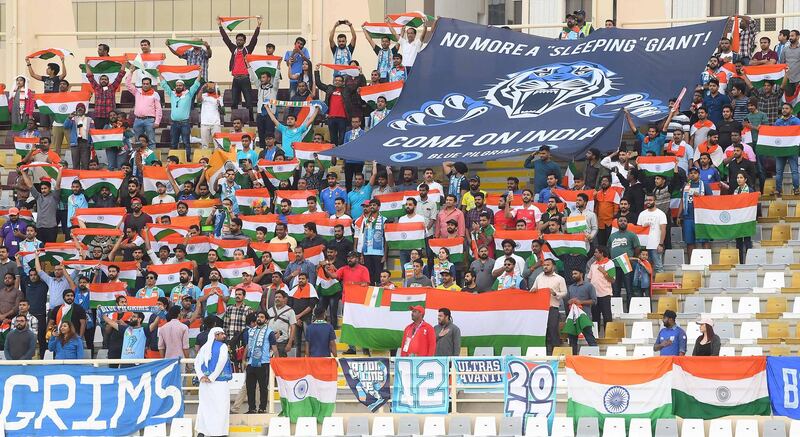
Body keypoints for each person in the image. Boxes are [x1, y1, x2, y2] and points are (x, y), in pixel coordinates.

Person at [218, 16, 262, 120]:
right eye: (237, 40)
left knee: (248, 102)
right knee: (234, 102)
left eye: (241, 40)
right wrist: (220, 26)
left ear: (244, 41)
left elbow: (254, 39)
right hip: (235, 79)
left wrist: (258, 26)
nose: (239, 41)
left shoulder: (248, 49)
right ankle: (235, 119)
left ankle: (251, 119)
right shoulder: (233, 49)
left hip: (245, 79)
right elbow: (226, 39)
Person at [194, 327, 233, 436]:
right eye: (222, 334)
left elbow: (196, 363)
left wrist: (201, 376)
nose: (224, 336)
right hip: (219, 383)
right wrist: (211, 377)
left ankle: (203, 432)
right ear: (216, 335)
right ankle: (219, 433)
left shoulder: (204, 347)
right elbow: (221, 363)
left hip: (205, 383)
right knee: (221, 407)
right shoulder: (223, 346)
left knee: (205, 407)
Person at [160, 74, 203, 161]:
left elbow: (196, 84)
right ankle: (172, 160)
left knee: (186, 143)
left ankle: (187, 159)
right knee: (173, 143)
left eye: (180, 85)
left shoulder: (189, 94)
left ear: (183, 86)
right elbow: (164, 84)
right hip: (174, 123)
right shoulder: (172, 94)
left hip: (184, 123)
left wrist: (200, 73)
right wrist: (159, 73)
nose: (178, 87)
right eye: (177, 85)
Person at [530, 259, 568, 354]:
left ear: (553, 266)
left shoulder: (559, 279)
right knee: (542, 331)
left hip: (552, 308)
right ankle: (544, 353)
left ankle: (556, 354)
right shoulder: (539, 277)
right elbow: (533, 289)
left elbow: (564, 293)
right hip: (540, 309)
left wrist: (554, 293)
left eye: (548, 265)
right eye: (544, 265)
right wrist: (534, 290)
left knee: (553, 330)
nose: (545, 267)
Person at [245, 311, 279, 414]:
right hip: (251, 362)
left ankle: (262, 408)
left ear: (266, 320)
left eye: (262, 317)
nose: (259, 318)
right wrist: (243, 359)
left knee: (263, 387)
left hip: (263, 362)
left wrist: (277, 361)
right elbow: (247, 346)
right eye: (258, 316)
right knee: (250, 387)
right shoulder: (250, 331)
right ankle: (251, 408)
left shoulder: (269, 332)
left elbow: (274, 348)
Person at [565, 268, 597, 354]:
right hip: (573, 317)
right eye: (573, 274)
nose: (573, 276)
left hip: (584, 316)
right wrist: (570, 301)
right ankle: (573, 359)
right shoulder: (571, 287)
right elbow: (567, 301)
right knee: (572, 340)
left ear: (581, 274)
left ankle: (596, 357)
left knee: (590, 338)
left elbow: (594, 301)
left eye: (575, 273)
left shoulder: (589, 286)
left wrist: (581, 302)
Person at [637, 194, 667, 273]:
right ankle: (648, 285)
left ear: (655, 201)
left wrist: (661, 244)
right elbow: (638, 230)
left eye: (650, 200)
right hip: (644, 246)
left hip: (655, 245)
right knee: (644, 268)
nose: (648, 202)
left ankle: (659, 285)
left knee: (658, 267)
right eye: (647, 200)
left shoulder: (661, 214)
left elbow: (663, 230)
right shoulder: (642, 214)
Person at [587, 246, 614, 334]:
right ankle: (596, 336)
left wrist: (604, 272)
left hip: (605, 294)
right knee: (595, 317)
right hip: (594, 295)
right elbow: (589, 279)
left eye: (596, 252)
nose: (594, 254)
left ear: (602, 253)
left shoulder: (609, 263)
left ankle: (609, 335)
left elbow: (612, 280)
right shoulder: (593, 265)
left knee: (607, 316)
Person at [267, 289, 297, 358]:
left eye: (279, 297)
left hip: (282, 342)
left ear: (284, 299)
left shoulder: (290, 311)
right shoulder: (270, 310)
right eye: (276, 297)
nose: (277, 299)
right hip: (270, 341)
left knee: (280, 362)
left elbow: (293, 327)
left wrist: (289, 343)